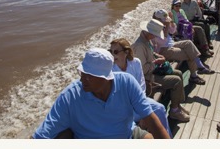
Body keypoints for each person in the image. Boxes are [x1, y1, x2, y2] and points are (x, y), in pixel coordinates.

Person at [33, 48, 170, 139]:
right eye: (82, 73)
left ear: (106, 78)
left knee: (149, 139)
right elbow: (42, 134)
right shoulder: (70, 96)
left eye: (89, 76)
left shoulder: (126, 82)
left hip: (127, 134)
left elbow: (150, 118)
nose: (82, 79)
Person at [110, 38, 173, 138]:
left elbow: (141, 86)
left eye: (116, 52)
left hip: (138, 100)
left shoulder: (136, 63)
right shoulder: (110, 69)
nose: (113, 55)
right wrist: (143, 114)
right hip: (123, 105)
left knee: (160, 108)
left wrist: (142, 110)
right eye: (111, 52)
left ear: (126, 52)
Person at [131, 18, 191, 123]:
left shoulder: (146, 40)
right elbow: (143, 69)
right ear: (148, 32)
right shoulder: (140, 46)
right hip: (148, 78)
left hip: (152, 71)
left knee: (179, 73)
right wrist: (157, 63)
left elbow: (152, 53)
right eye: (154, 34)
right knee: (176, 80)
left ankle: (177, 105)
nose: (155, 36)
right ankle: (174, 111)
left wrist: (159, 56)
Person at [151, 9, 214, 81]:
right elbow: (162, 42)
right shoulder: (153, 28)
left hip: (171, 44)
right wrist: (167, 26)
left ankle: (199, 68)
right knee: (190, 53)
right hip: (163, 50)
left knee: (188, 43)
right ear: (158, 19)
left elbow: (173, 31)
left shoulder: (163, 24)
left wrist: (171, 22)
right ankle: (195, 74)